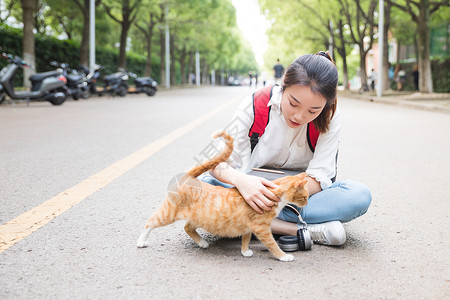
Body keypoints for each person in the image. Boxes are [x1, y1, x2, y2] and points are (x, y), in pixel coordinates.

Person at [200, 51, 372, 247]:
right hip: (252, 190)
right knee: (199, 185)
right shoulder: (256, 103)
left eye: (312, 111)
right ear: (283, 85)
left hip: (299, 195)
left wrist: (273, 196)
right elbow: (215, 163)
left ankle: (251, 222)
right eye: (293, 103)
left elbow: (319, 177)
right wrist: (243, 182)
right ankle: (299, 230)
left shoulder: (330, 116)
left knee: (359, 194)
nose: (299, 116)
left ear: (326, 105)